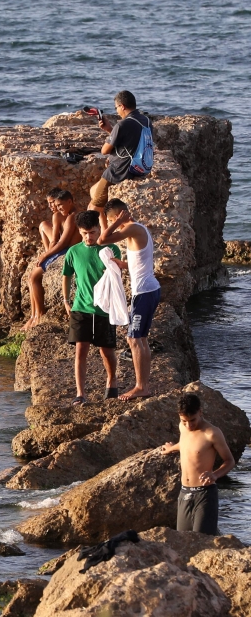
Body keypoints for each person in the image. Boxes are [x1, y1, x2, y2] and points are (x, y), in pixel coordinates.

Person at [99, 199, 161, 400]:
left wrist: (118, 222)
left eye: (111, 219)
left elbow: (102, 239)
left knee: (133, 338)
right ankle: (144, 385)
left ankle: (141, 386)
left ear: (120, 214)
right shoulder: (137, 230)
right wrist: (123, 264)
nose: (110, 223)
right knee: (140, 338)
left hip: (144, 292)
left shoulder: (132, 227)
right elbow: (141, 260)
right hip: (149, 289)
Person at [62, 211, 121, 405]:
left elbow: (117, 277)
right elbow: (67, 275)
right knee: (81, 350)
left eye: (93, 232)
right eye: (85, 233)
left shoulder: (111, 249)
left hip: (104, 308)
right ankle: (80, 393)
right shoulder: (73, 252)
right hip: (81, 307)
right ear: (79, 232)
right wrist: (66, 300)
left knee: (107, 351)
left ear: (99, 229)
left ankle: (111, 382)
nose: (89, 237)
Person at [161, 393, 235, 535]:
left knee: (203, 541)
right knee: (182, 541)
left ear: (200, 412)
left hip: (205, 494)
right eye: (184, 421)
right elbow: (187, 444)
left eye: (192, 420)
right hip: (184, 493)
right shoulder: (183, 428)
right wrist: (172, 448)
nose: (189, 425)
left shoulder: (212, 433)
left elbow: (229, 461)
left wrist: (215, 475)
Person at [23, 189, 81, 330]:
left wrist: (46, 255)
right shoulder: (61, 215)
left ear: (69, 202)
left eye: (58, 204)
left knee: (32, 278)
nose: (56, 207)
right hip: (62, 249)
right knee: (31, 278)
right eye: (56, 204)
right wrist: (49, 251)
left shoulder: (72, 216)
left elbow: (64, 242)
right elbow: (55, 240)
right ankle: (33, 315)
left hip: (67, 251)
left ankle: (39, 315)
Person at [90, 90, 153, 209]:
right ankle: (103, 224)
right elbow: (130, 142)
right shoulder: (147, 121)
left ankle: (100, 226)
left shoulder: (122, 125)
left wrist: (112, 132)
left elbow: (105, 151)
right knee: (93, 190)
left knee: (92, 207)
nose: (117, 111)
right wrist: (110, 129)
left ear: (122, 106)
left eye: (116, 108)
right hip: (140, 167)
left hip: (120, 171)